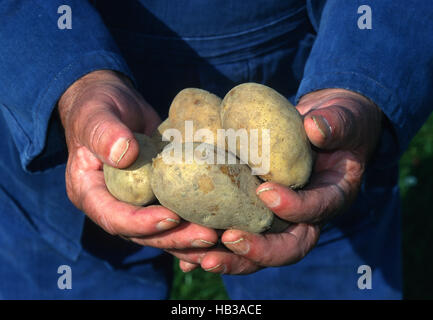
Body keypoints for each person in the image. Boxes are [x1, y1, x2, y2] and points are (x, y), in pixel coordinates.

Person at [0, 0, 432, 299]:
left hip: (299, 70)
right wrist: (67, 80)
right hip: (60, 126)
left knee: (313, 258)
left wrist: (364, 76)